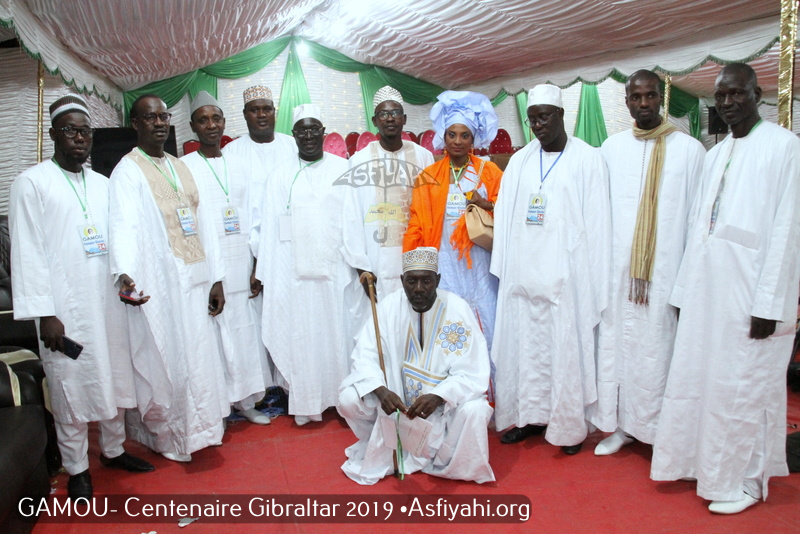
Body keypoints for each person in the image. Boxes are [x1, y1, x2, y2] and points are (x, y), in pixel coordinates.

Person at [651, 63, 800, 514]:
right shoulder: (714, 153)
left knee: (748, 387)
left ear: (758, 94)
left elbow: (788, 231)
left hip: (753, 297)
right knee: (709, 383)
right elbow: (699, 230)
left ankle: (748, 482)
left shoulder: (786, 147)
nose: (729, 102)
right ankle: (709, 465)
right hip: (708, 294)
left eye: (737, 93)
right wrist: (683, 293)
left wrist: (770, 303)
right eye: (722, 95)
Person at [9, 94, 154, 500]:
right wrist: (45, 314)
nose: (79, 138)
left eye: (85, 131)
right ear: (54, 133)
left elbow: (118, 243)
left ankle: (113, 449)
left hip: (107, 302)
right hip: (64, 310)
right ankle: (77, 467)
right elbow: (27, 252)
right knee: (71, 383)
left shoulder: (103, 184)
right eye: (70, 130)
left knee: (113, 377)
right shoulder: (31, 183)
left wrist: (127, 282)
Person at [108, 94, 229, 462]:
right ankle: (173, 436)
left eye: (163, 117)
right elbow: (123, 224)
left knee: (199, 356)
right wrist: (126, 273)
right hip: (161, 282)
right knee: (170, 358)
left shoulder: (181, 166)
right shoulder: (127, 171)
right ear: (135, 123)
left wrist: (216, 278)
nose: (159, 123)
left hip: (194, 278)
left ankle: (205, 429)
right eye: (150, 117)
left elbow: (205, 221)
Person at [491, 84, 610, 454]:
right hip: (524, 278)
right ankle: (528, 418)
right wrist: (508, 270)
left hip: (566, 279)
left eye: (544, 117)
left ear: (561, 115)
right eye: (532, 119)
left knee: (563, 352)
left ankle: (568, 425)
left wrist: (591, 277)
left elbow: (598, 223)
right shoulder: (521, 160)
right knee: (525, 349)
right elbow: (506, 217)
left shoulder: (587, 159)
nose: (538, 125)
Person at [591, 70, 705, 456]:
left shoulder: (689, 151)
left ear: (662, 99)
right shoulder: (611, 148)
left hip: (664, 274)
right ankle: (621, 427)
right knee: (617, 349)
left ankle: (658, 432)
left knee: (658, 352)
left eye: (651, 96)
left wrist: (688, 282)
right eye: (636, 97)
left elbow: (696, 220)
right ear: (626, 102)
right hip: (618, 275)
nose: (644, 104)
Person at [338, 247, 495, 485]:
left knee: (476, 409)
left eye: (426, 281)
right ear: (402, 280)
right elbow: (365, 356)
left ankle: (454, 464)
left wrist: (440, 395)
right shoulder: (389, 308)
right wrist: (381, 391)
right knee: (349, 398)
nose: (419, 289)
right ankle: (383, 445)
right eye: (412, 281)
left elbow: (472, 371)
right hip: (397, 410)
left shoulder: (456, 309)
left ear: (438, 280)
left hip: (442, 411)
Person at [251, 104, 350, 425]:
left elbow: (353, 222)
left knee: (336, 334)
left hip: (336, 273)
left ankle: (341, 399)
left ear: (324, 132)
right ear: (293, 135)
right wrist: (269, 272)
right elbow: (270, 228)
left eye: (314, 129)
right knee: (302, 336)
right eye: (301, 130)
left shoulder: (342, 170)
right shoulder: (280, 175)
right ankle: (307, 403)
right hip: (295, 276)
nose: (308, 135)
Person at [181, 91, 270, 426]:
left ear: (224, 122)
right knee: (212, 335)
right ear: (192, 126)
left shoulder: (239, 162)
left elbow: (256, 216)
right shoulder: (184, 168)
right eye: (203, 120)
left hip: (242, 263)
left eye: (216, 118)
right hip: (207, 269)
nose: (211, 125)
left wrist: (257, 264)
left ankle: (247, 401)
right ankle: (216, 405)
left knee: (245, 333)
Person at [404, 91, 503, 355]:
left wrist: (488, 205)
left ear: (474, 138)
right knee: (448, 323)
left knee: (486, 320)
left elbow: (509, 211)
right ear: (443, 137)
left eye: (464, 135)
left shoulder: (490, 172)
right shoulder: (429, 175)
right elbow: (416, 221)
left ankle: (488, 390)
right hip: (444, 261)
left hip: (481, 263)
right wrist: (413, 264)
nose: (457, 141)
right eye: (452, 134)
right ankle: (452, 391)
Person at [342, 86, 434, 352]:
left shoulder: (423, 156)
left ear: (404, 119)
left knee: (417, 326)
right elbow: (351, 216)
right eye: (384, 114)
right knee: (380, 331)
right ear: (374, 121)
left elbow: (431, 209)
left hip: (415, 256)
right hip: (375, 259)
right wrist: (361, 267)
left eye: (395, 113)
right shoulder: (359, 160)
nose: (390, 118)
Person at [223, 85, 297, 386]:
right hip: (247, 250)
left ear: (274, 112)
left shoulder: (293, 145)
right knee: (253, 320)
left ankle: (291, 381)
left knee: (289, 315)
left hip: (288, 246)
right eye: (255, 109)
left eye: (267, 108)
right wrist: (253, 256)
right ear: (244, 115)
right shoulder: (231, 152)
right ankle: (263, 386)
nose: (262, 114)